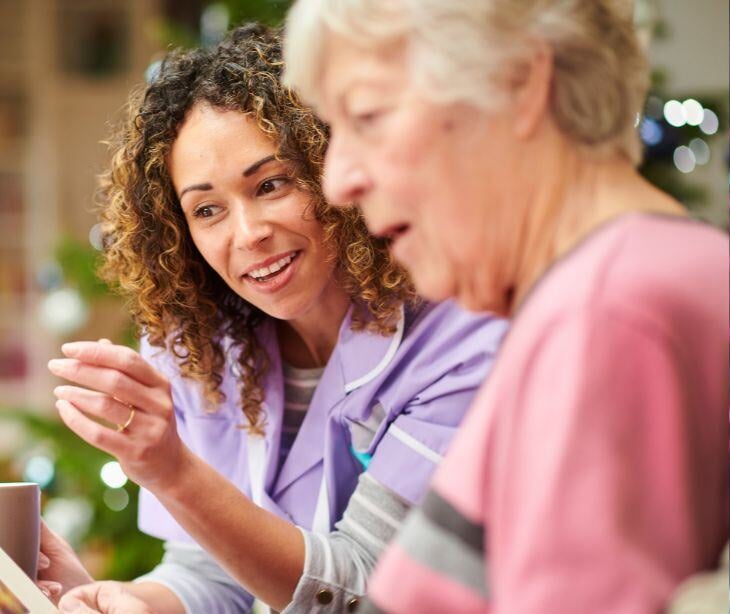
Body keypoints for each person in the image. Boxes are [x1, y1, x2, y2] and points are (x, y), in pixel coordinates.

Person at [41, 24, 507, 614]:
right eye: (207, 209)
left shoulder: (462, 339)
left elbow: (362, 592)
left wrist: (175, 472)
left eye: (271, 184)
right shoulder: (201, 349)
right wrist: (127, 601)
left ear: (333, 167)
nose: (248, 234)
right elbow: (210, 572)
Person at [281, 0, 729, 612]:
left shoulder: (608, 310)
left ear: (519, 83)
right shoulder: (608, 288)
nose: (338, 181)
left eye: (368, 116)